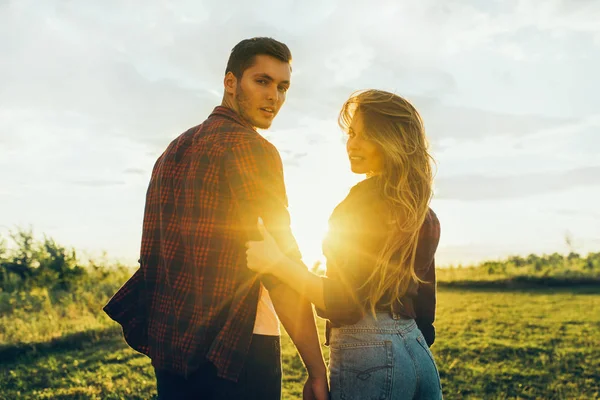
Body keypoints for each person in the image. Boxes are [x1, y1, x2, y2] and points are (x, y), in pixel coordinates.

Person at [103, 37, 328, 400]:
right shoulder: (253, 150)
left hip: (172, 351)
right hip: (238, 350)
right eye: (262, 81)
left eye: (282, 86)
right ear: (230, 82)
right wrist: (316, 370)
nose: (274, 96)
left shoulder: (172, 150)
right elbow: (280, 266)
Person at [246, 89, 443, 399]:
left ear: (391, 142)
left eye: (366, 136)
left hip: (369, 354)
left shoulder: (359, 206)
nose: (352, 144)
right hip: (417, 354)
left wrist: (276, 262)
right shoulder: (423, 213)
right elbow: (425, 308)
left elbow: (340, 300)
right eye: (351, 134)